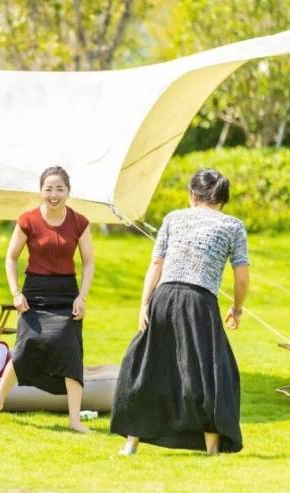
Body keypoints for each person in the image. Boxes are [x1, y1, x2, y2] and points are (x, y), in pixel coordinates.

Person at [110, 168, 250, 456]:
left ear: (192, 194)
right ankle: (212, 448)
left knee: (149, 366)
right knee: (210, 372)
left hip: (164, 297)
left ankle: (131, 443)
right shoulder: (233, 226)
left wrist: (145, 304)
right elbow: (242, 278)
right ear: (223, 197)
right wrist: (236, 309)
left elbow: (156, 265)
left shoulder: (173, 218)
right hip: (200, 302)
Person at [0, 165, 95, 433]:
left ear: (68, 192)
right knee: (23, 349)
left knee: (71, 352)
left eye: (60, 189)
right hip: (34, 295)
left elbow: (89, 262)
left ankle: (75, 420)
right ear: (40, 191)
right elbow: (11, 257)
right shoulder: (28, 220)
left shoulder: (79, 222)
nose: (54, 194)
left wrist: (82, 297)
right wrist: (15, 292)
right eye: (48, 189)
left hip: (66, 296)